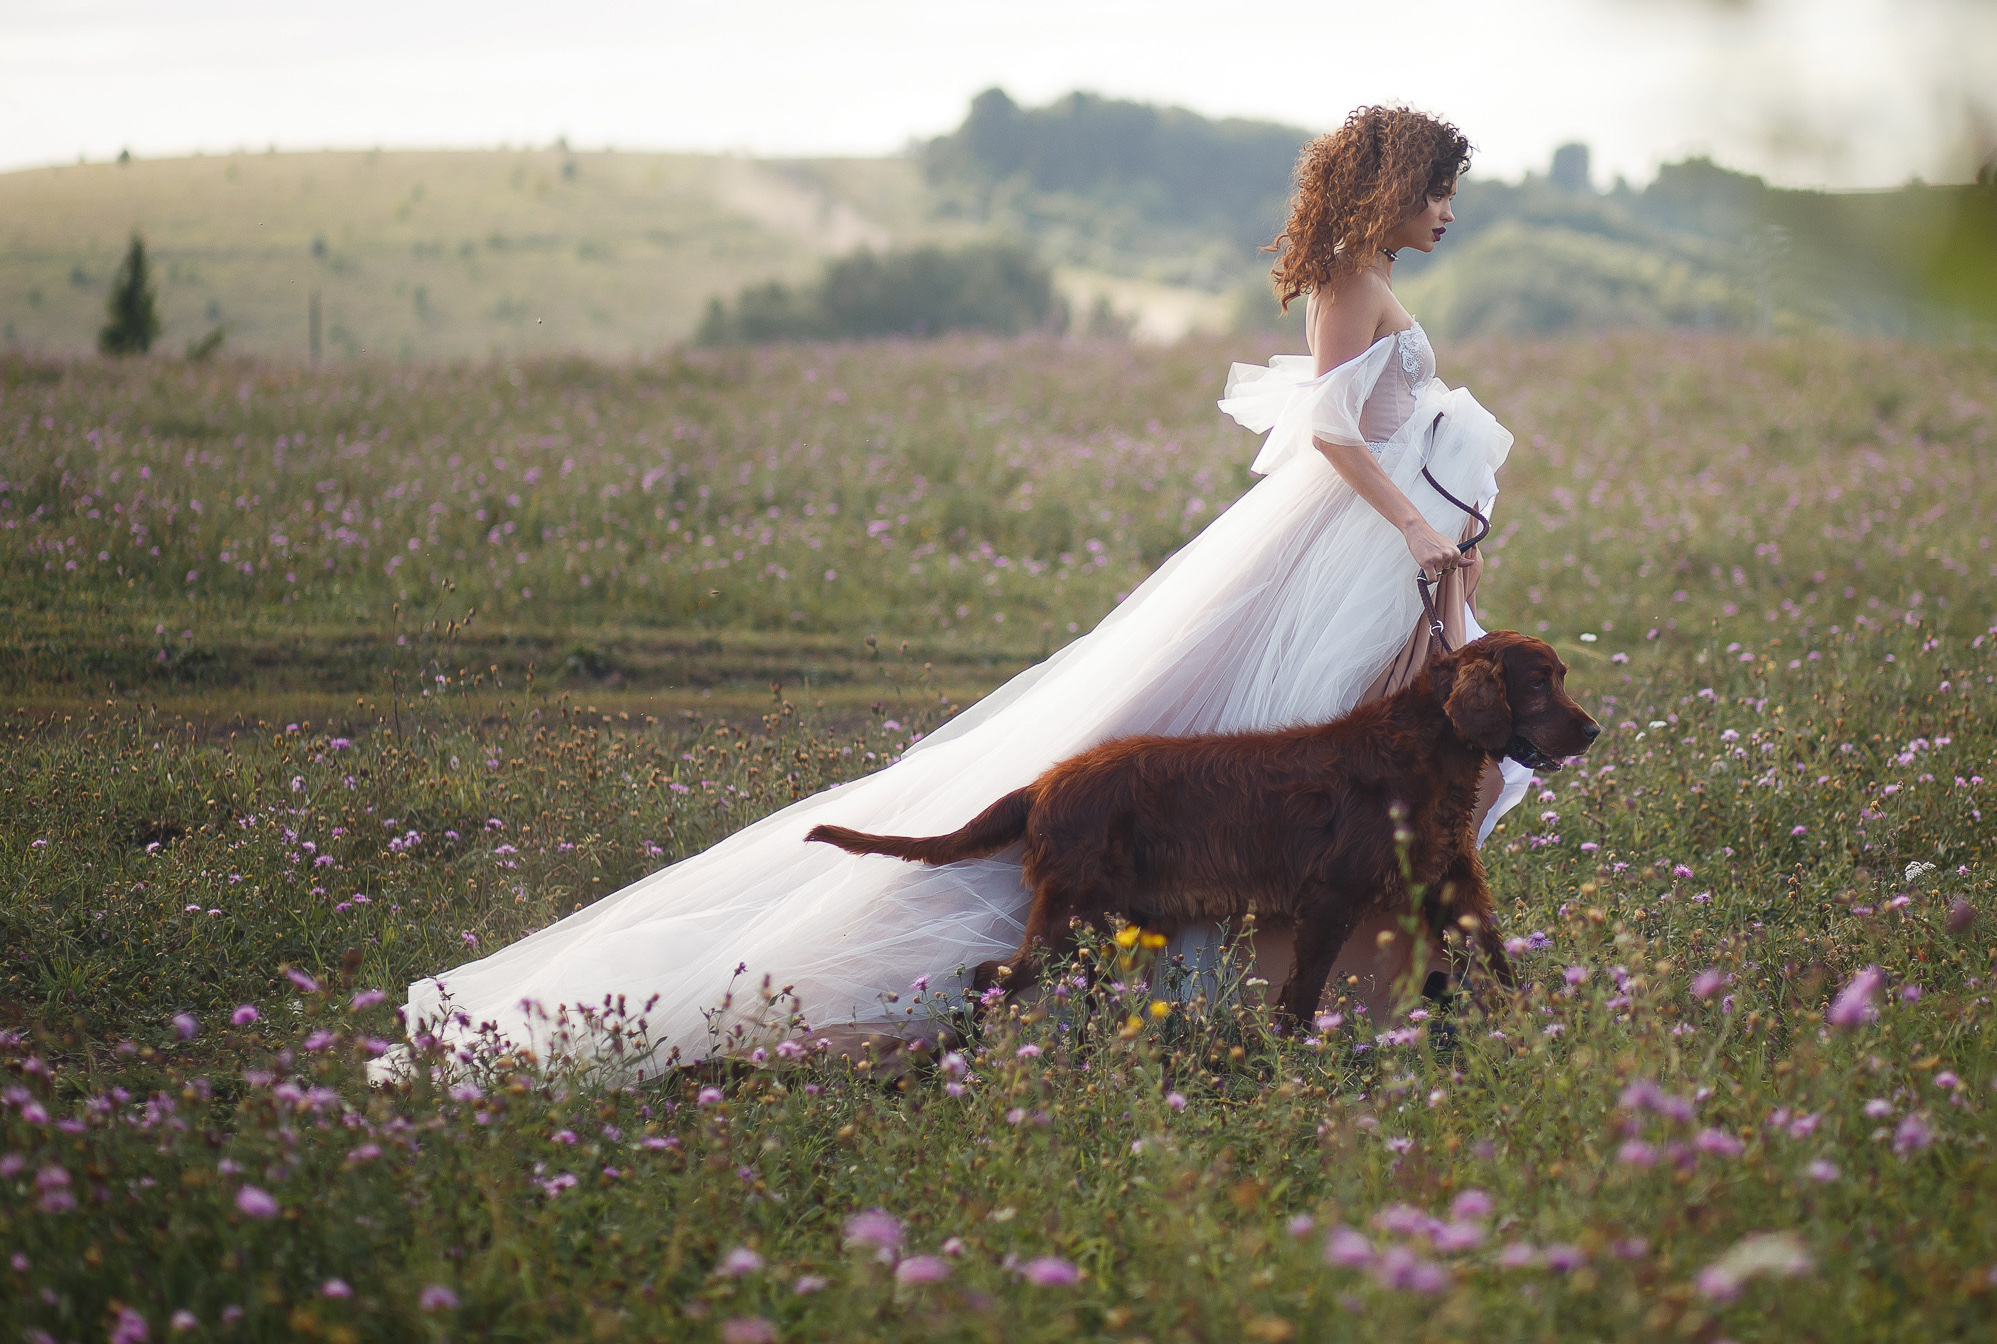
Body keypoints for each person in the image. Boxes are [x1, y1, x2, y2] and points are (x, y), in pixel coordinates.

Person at [372, 105, 1530, 1082]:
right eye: (1438, 188)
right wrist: (1423, 526)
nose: (1450, 208)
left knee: (1412, 782)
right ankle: (1260, 997)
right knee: (1326, 779)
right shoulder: (1346, 278)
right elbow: (1328, 427)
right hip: (1355, 554)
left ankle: (1364, 1001)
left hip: (1384, 561)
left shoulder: (1372, 275)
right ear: (1388, 187)